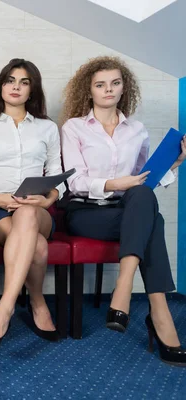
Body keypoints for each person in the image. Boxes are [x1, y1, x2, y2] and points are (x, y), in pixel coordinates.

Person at [60, 56, 186, 366]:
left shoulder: (138, 130)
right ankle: (158, 313)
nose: (109, 90)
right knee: (152, 220)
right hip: (86, 213)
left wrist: (175, 164)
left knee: (144, 201)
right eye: (100, 85)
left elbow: (145, 183)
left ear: (123, 87)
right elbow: (74, 182)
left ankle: (125, 286)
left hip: (126, 210)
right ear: (89, 90)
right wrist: (118, 182)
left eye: (115, 83)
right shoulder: (74, 127)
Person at [0, 59, 62, 349]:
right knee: (39, 246)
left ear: (32, 90)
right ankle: (37, 302)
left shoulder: (48, 128)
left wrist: (47, 198)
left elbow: (59, 179)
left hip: (39, 208)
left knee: (28, 213)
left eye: (24, 82)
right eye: (10, 80)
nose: (16, 87)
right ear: (1, 87)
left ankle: (4, 309)